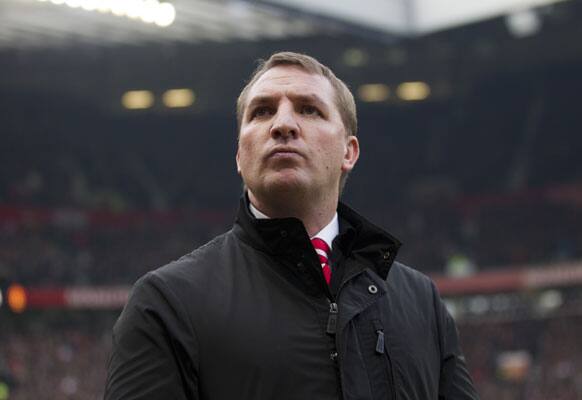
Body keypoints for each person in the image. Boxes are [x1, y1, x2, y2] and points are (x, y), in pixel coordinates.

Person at [105, 52, 479, 400]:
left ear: (349, 152)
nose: (283, 124)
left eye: (310, 110)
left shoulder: (421, 301)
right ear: (239, 154)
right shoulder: (167, 304)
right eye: (262, 112)